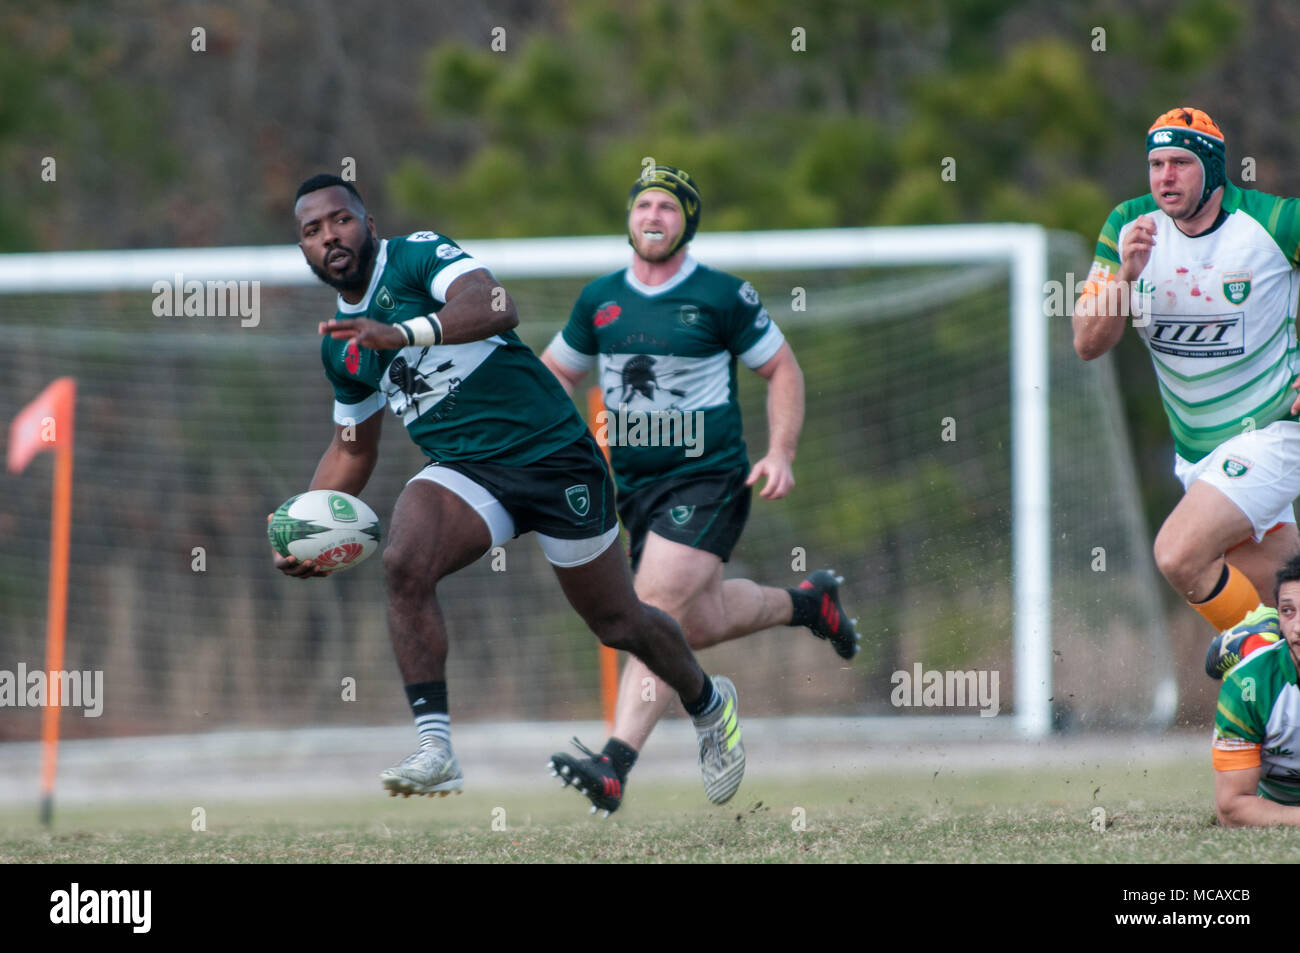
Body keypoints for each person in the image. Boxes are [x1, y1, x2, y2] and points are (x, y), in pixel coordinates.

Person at [275, 173, 746, 805]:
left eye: (341, 219)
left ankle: (710, 705)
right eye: (313, 230)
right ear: (303, 250)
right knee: (404, 562)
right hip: (467, 472)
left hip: (555, 457)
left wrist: (408, 333)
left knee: (617, 621)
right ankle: (435, 747)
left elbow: (496, 305)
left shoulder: (414, 257)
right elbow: (351, 449)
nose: (330, 236)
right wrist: (304, 529)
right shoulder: (342, 348)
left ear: (368, 225)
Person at [539, 165, 860, 815]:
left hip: (709, 478)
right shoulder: (599, 299)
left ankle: (614, 763)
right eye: (643, 205)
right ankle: (810, 605)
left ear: (687, 223)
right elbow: (553, 377)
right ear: (629, 217)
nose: (652, 215)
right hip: (634, 492)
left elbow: (782, 368)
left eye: (667, 207)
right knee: (698, 620)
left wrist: (781, 451)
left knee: (650, 607)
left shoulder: (721, 296)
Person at [1072, 107, 1300, 678]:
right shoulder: (1129, 224)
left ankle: (1261, 663)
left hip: (1274, 436)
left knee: (1179, 553)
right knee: (1277, 601)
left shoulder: (1272, 222)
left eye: (1180, 163)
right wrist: (1125, 276)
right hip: (1197, 460)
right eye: (1155, 164)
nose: (1165, 177)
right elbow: (1087, 342)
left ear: (1213, 170)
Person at [1213, 553, 1300, 826]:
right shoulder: (1245, 686)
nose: (1297, 627)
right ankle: (1251, 642)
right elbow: (1231, 809)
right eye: (1288, 611)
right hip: (1278, 801)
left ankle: (1255, 640)